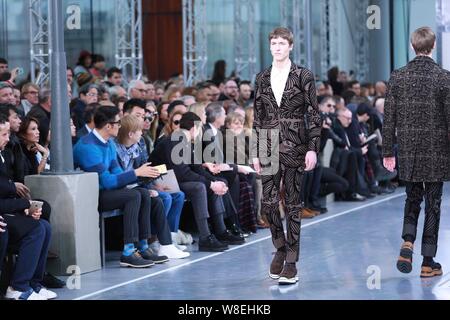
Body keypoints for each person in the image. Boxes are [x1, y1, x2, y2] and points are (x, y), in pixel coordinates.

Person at [252, 27, 321, 285]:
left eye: (282, 43)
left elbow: (314, 113)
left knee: (293, 204)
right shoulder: (261, 77)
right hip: (268, 145)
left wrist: (313, 147)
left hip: (295, 144)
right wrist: (255, 152)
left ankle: (291, 261)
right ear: (270, 46)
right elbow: (257, 117)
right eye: (274, 43)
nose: (278, 47)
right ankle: (279, 246)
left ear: (290, 46)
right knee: (268, 204)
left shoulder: (303, 75)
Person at [383, 26, 450, 278]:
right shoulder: (444, 78)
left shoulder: (398, 76)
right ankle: (428, 262)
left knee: (412, 199)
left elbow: (388, 119)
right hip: (437, 152)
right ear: (433, 47)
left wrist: (387, 152)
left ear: (412, 46)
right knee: (433, 204)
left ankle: (407, 242)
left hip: (409, 151)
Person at [73, 106, 168, 268]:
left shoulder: (108, 143)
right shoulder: (87, 146)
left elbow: (117, 172)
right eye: (118, 123)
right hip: (92, 195)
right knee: (134, 196)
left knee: (143, 193)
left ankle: (143, 246)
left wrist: (138, 179)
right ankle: (127, 252)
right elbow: (108, 182)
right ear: (108, 126)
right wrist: (137, 172)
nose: (120, 126)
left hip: (107, 191)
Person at [0, 115, 56, 300]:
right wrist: (24, 204)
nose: (8, 138)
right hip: (4, 212)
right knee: (35, 229)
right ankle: (18, 286)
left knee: (44, 226)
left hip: (8, 209)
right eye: (4, 134)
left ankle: (34, 283)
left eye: (8, 133)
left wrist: (24, 208)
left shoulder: (5, 154)